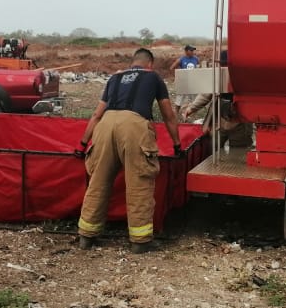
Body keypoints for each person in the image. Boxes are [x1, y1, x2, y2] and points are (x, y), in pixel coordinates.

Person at [76, 47, 181, 253]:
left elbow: (96, 115)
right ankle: (140, 241)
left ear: (132, 63)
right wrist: (177, 144)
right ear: (149, 64)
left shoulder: (114, 79)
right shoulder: (154, 78)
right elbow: (168, 115)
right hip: (134, 125)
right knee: (139, 182)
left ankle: (86, 236)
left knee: (98, 181)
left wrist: (83, 144)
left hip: (105, 125)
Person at [180, 51, 253, 149]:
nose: (224, 67)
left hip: (240, 123)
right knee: (213, 148)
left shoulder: (244, 76)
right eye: (222, 64)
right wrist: (191, 109)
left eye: (225, 64)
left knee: (238, 152)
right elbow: (205, 94)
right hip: (220, 121)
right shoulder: (217, 75)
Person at [169, 44, 200, 116]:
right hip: (183, 82)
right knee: (179, 99)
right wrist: (176, 77)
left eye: (193, 50)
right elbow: (172, 68)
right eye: (191, 50)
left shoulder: (196, 59)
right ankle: (176, 114)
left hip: (193, 82)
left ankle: (193, 114)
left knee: (195, 100)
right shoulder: (181, 59)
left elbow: (199, 68)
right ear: (186, 51)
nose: (193, 52)